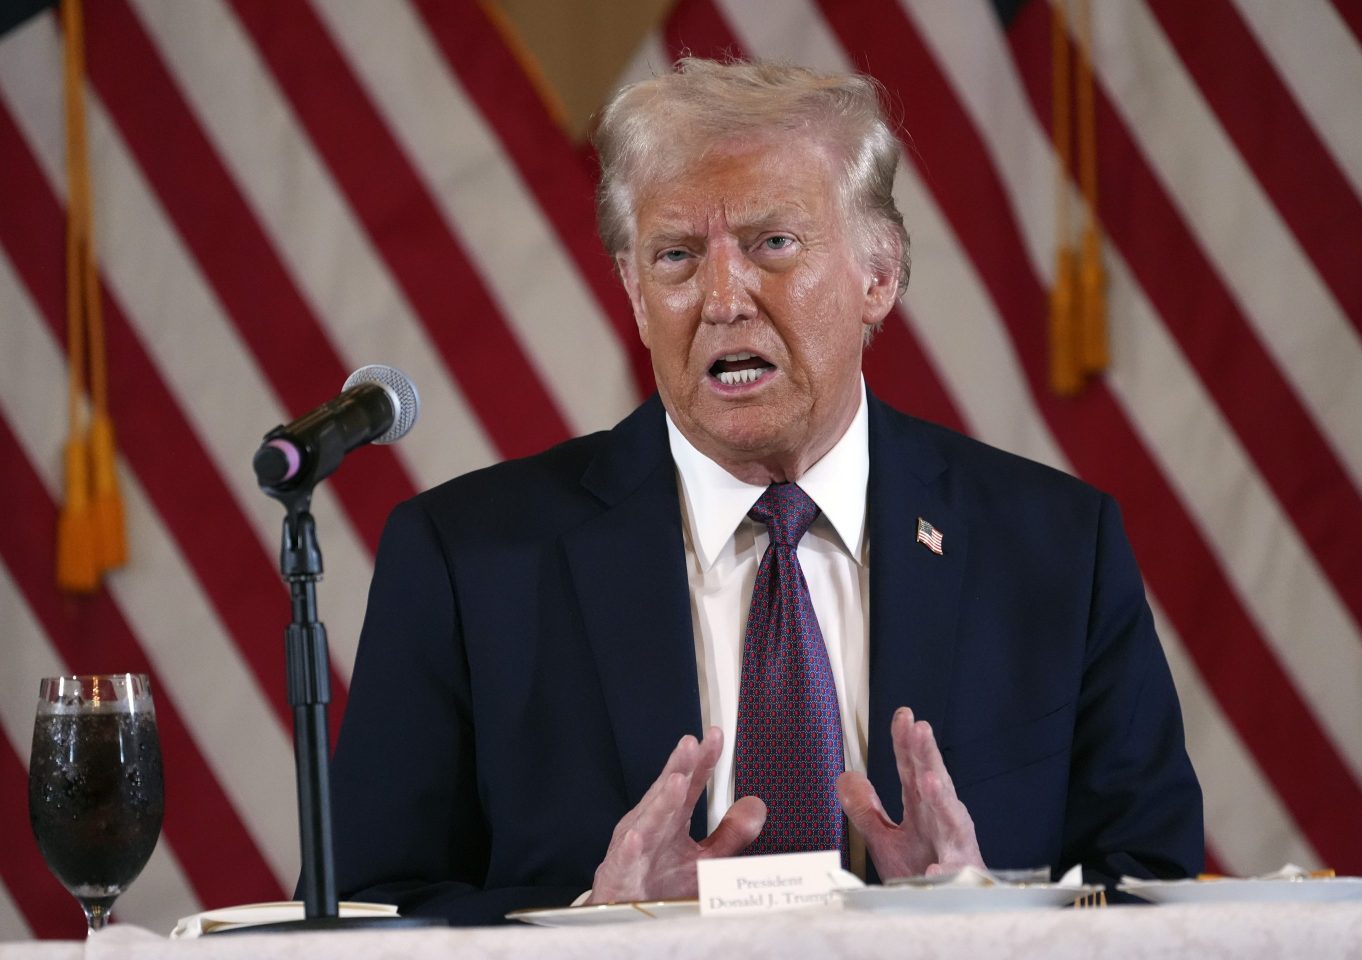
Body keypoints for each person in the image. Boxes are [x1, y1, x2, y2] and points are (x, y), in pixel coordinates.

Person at [329, 58, 1202, 924]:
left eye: (771, 244)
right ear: (635, 294)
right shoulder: (467, 562)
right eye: (675, 256)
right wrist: (597, 925)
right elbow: (365, 915)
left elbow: (1153, 889)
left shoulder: (1055, 548)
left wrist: (991, 917)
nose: (721, 298)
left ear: (879, 275)